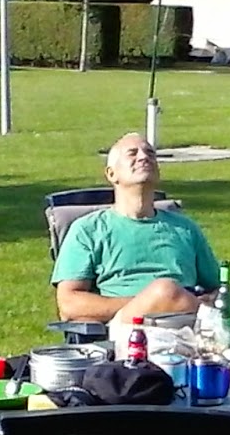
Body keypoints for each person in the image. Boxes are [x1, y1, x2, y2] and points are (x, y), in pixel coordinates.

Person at [51, 133, 220, 323]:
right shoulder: (88, 230)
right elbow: (69, 304)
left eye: (150, 153)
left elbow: (220, 289)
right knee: (166, 290)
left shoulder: (185, 228)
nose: (143, 157)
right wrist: (155, 302)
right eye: (132, 153)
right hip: (125, 334)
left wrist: (213, 299)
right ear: (111, 174)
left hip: (189, 331)